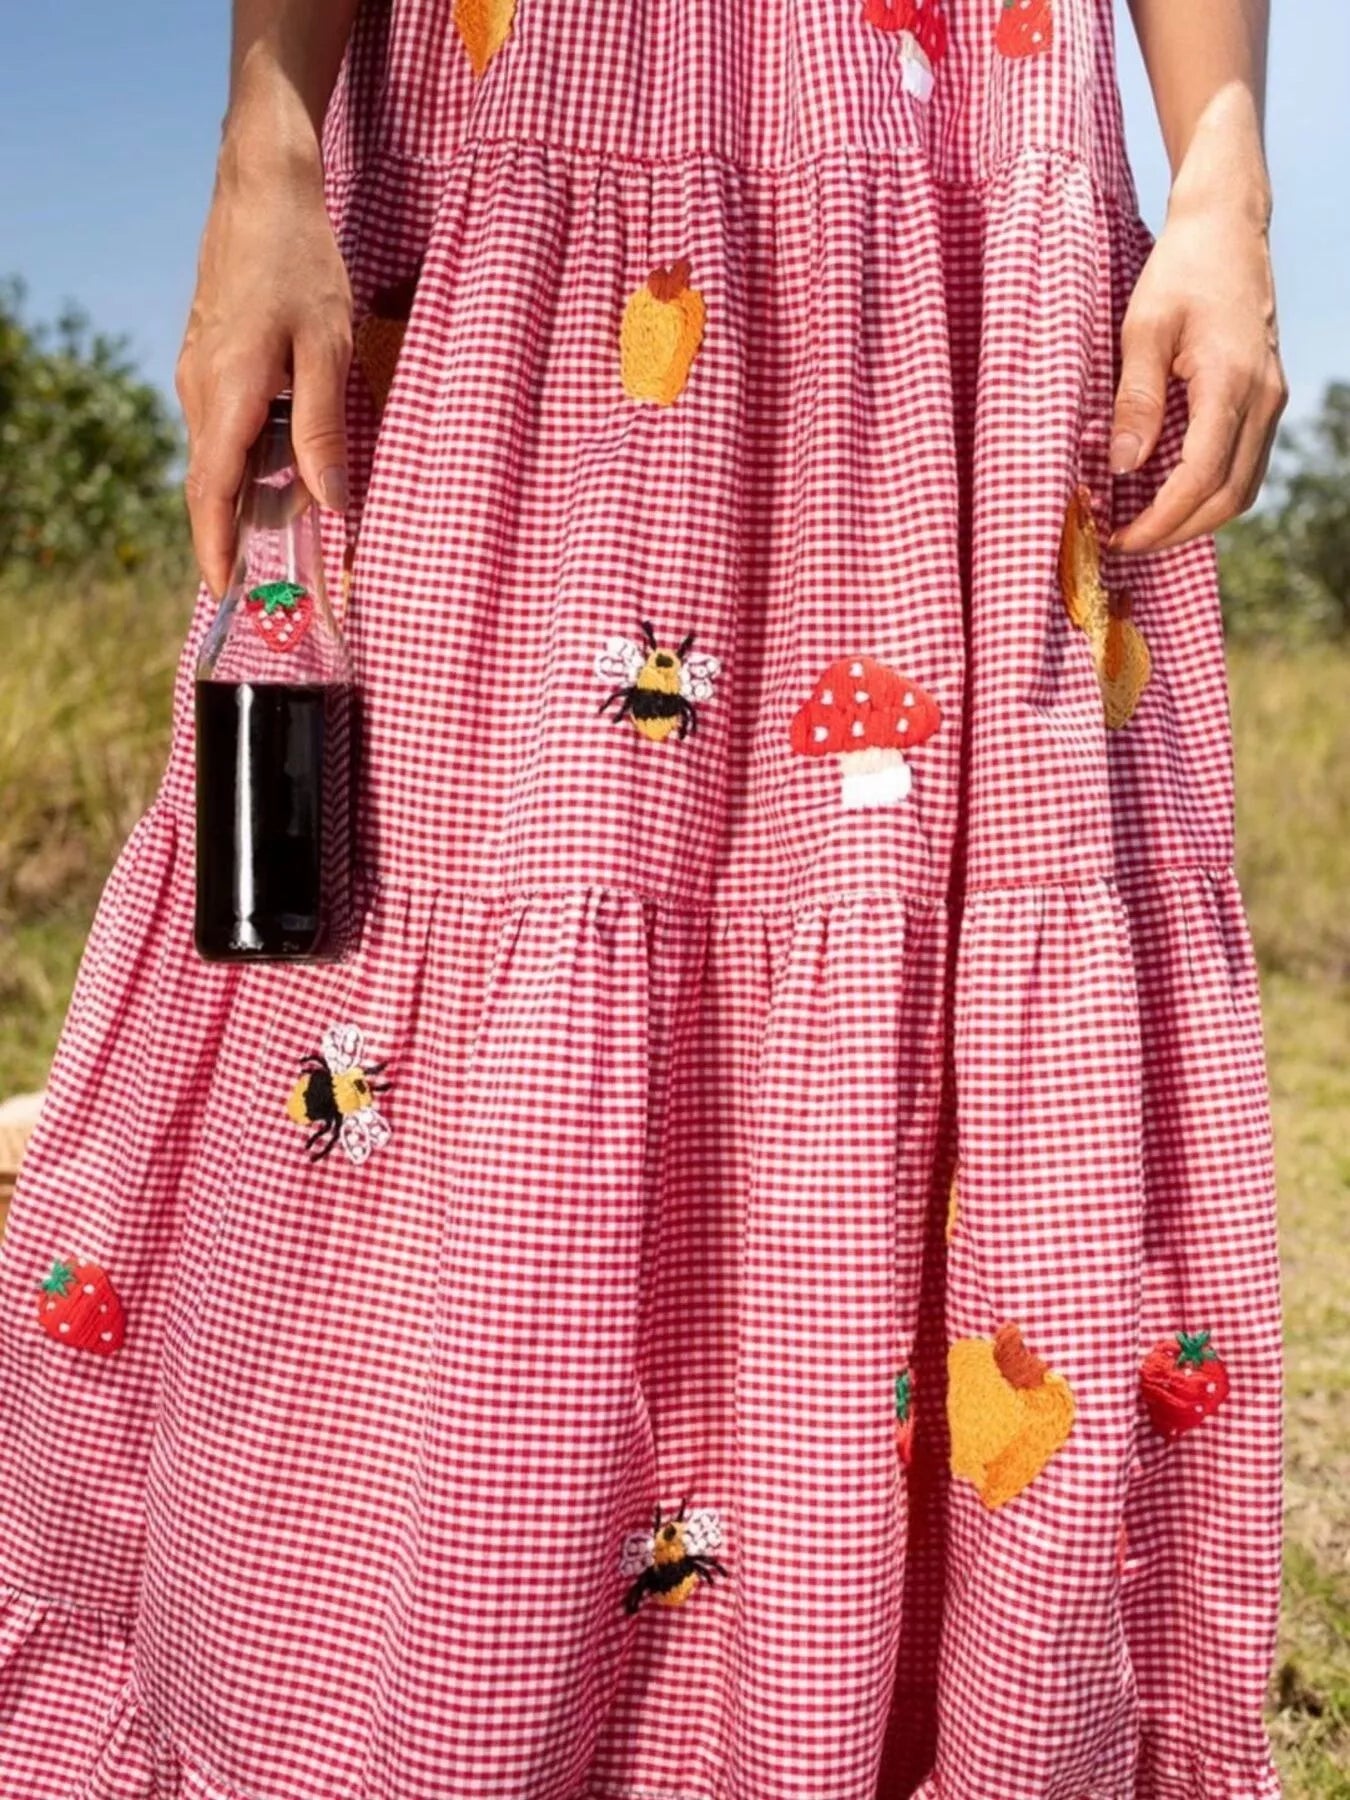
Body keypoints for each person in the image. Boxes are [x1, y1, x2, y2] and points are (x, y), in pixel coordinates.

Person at [0, 0, 1288, 1795]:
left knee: (906, 933)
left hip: (956, 185)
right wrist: (266, 141)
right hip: (514, 147)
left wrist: (1221, 172)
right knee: (406, 937)